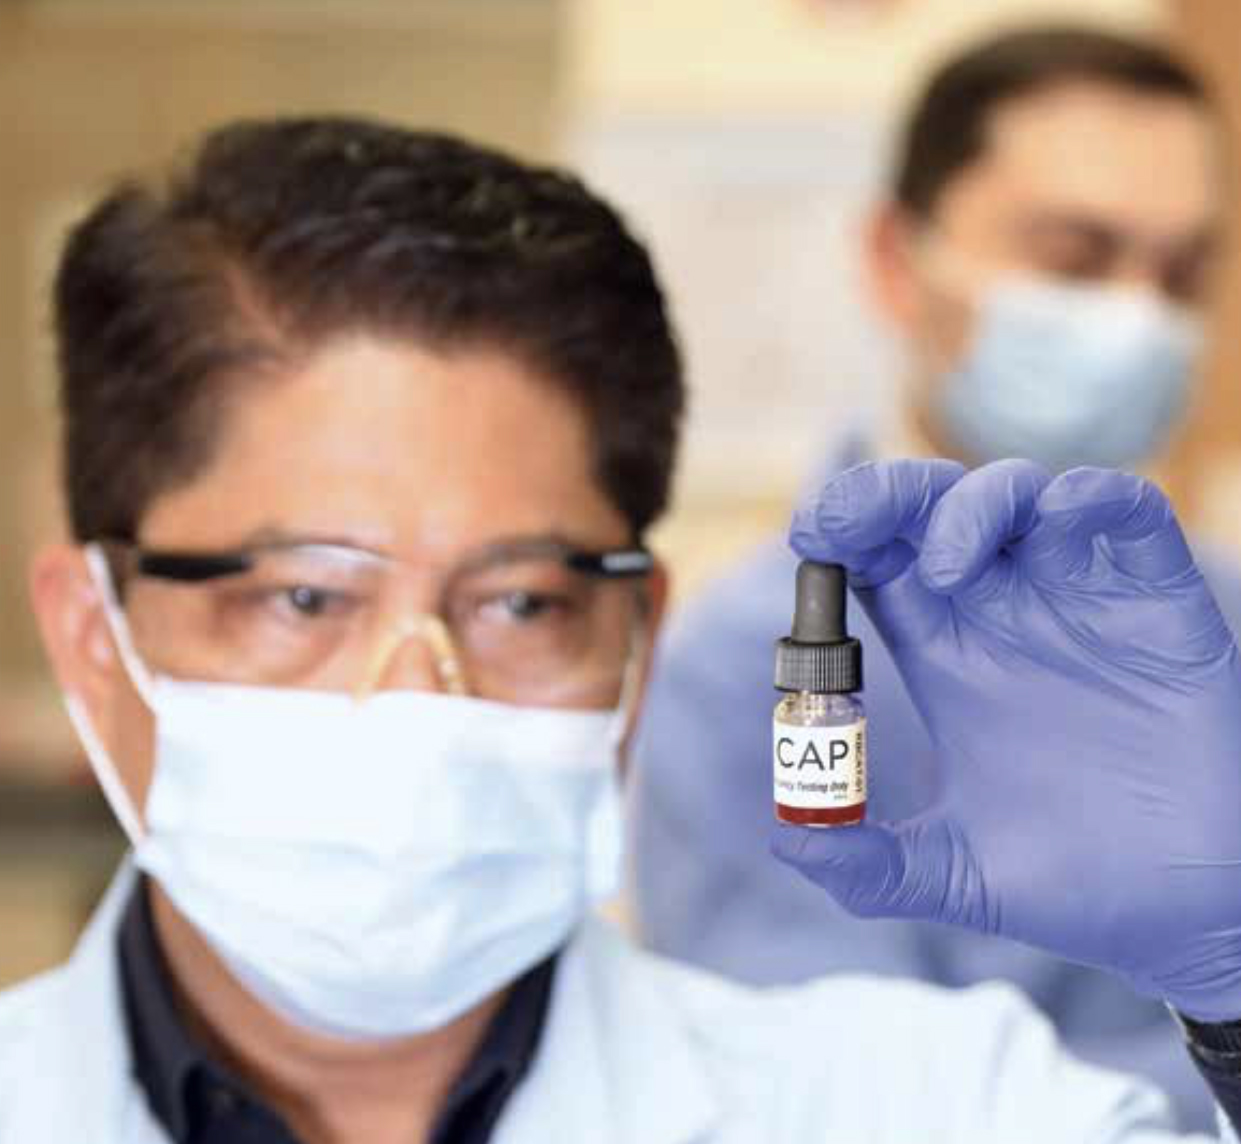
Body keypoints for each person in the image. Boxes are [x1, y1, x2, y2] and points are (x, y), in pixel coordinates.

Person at [2, 113, 1241, 1144]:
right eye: (305, 597)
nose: (419, 697)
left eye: (521, 603)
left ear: (635, 644)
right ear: (94, 638)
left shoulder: (927, 1102)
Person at [630, 25, 1237, 1129]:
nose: (1138, 318)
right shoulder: (742, 674)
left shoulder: (1220, 627)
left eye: (1182, 274)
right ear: (894, 260)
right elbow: (844, 1100)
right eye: (1073, 258)